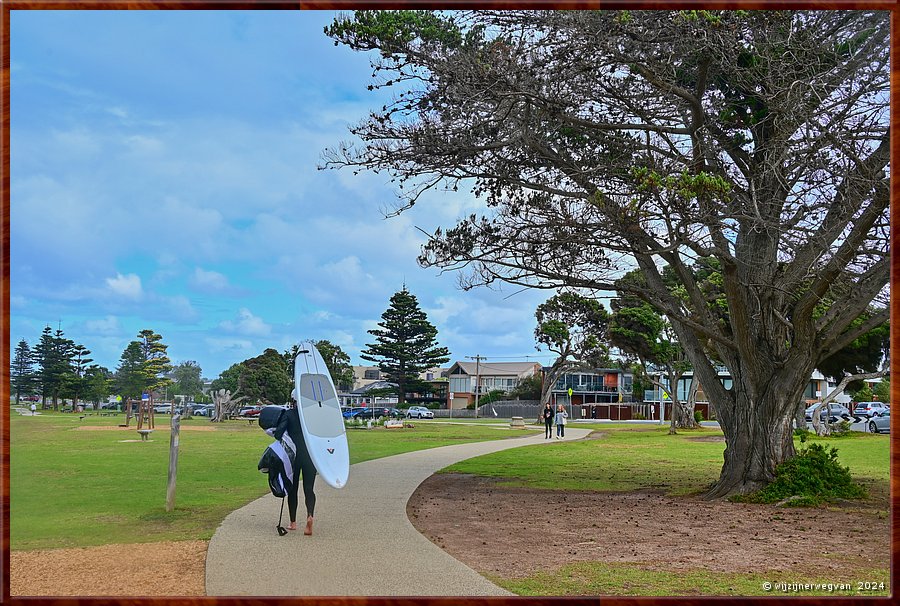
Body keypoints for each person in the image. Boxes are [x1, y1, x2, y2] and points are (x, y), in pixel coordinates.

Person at [284, 400, 317, 535]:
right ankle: (310, 515)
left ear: (293, 401)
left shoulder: (289, 414)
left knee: (293, 489)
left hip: (294, 456)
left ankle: (293, 522)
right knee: (309, 489)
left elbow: (279, 432)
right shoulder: (312, 415)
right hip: (310, 456)